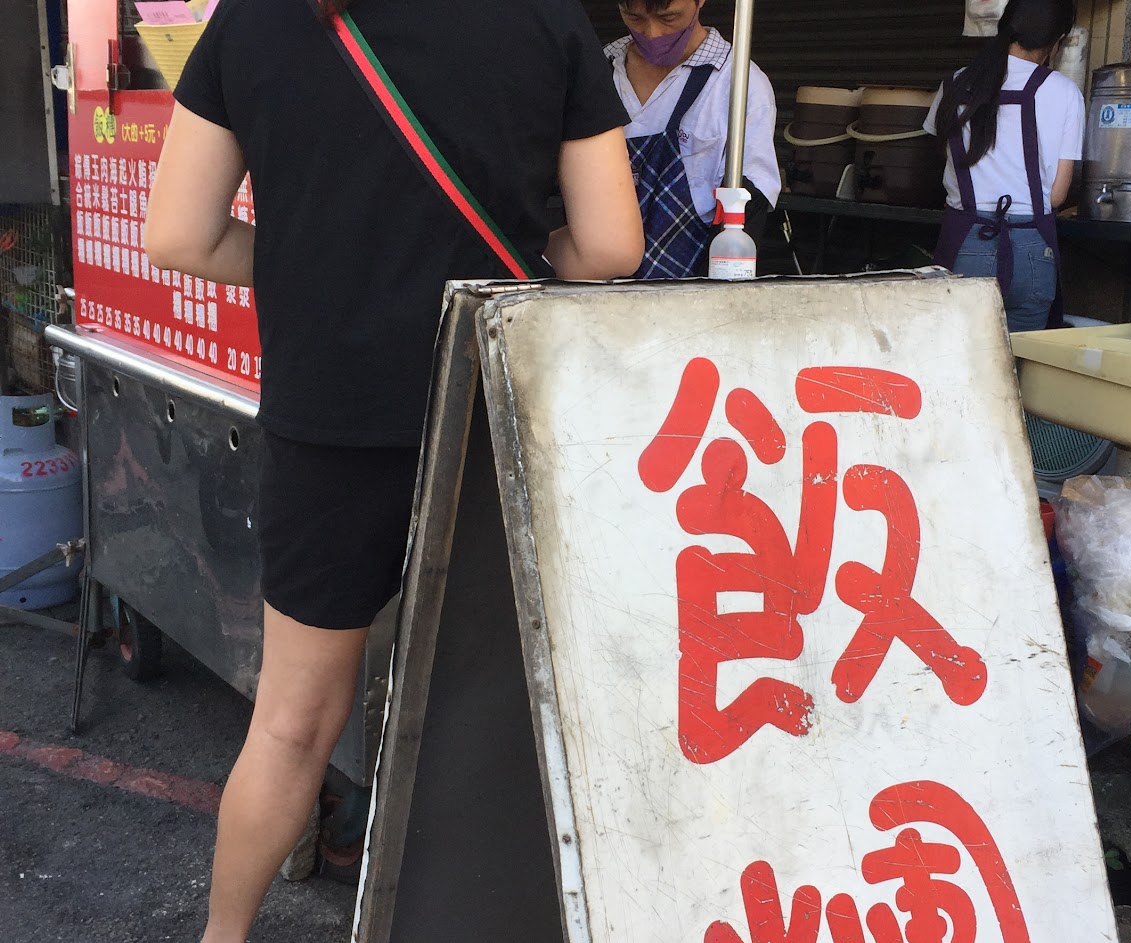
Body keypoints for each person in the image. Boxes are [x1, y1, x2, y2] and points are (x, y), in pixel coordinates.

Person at [142, 0, 643, 938]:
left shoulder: (255, 20)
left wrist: (310, 265)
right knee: (497, 720)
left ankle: (222, 934)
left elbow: (179, 235)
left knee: (291, 725)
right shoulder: (546, 18)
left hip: (329, 426)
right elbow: (612, 245)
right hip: (490, 415)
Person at [924, 0, 1084, 332]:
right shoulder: (1065, 92)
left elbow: (942, 157)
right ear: (1056, 40)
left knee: (961, 355)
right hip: (1032, 252)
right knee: (1020, 360)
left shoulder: (954, 84)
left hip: (965, 245)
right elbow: (1057, 195)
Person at [607, 0, 780, 278]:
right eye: (634, 17)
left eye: (668, 17)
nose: (652, 33)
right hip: (592, 283)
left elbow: (752, 200)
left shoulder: (737, 83)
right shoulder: (597, 71)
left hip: (688, 280)